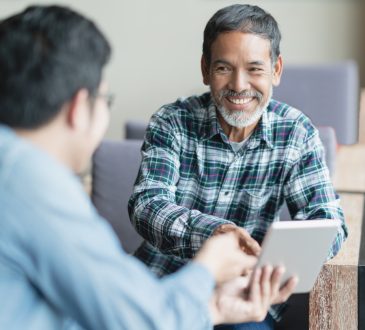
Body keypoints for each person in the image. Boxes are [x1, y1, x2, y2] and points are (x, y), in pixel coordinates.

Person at [0, 5, 298, 330]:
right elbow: (144, 321)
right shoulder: (38, 189)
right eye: (106, 99)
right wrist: (208, 267)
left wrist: (210, 305)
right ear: (78, 108)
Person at [128, 4, 348, 329]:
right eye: (223, 68)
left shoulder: (297, 132)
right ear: (205, 70)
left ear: (276, 70)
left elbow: (329, 221)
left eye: (255, 69)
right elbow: (147, 205)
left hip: (248, 294)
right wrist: (216, 234)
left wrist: (275, 263)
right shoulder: (171, 122)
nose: (239, 85)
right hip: (164, 283)